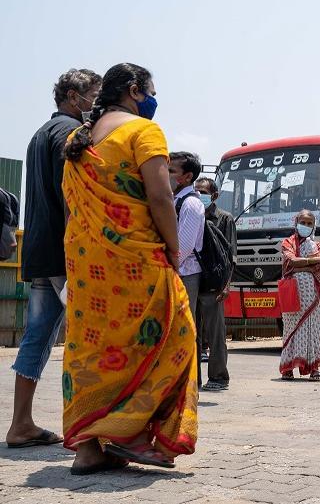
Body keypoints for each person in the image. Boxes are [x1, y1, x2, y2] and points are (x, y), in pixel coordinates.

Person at [60, 63, 197, 473]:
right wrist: (174, 251)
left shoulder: (75, 139)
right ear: (135, 91)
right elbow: (159, 197)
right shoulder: (144, 132)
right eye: (151, 91)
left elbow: (72, 206)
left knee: (95, 349)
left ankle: (89, 448)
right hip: (137, 260)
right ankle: (133, 435)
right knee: (176, 337)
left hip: (87, 262)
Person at [6, 69, 102, 451]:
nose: (95, 102)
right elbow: (71, 197)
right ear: (72, 94)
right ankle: (89, 426)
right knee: (87, 337)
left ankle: (21, 423)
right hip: (65, 255)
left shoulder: (40, 133)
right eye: (92, 94)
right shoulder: (70, 133)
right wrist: (80, 249)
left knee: (38, 337)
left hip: (42, 253)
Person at [193, 177, 236, 391]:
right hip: (193, 281)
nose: (199, 196)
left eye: (203, 192)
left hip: (214, 283)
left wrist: (226, 285)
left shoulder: (225, 219)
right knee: (192, 334)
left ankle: (219, 377)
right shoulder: (191, 214)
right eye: (197, 191)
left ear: (214, 196)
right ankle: (194, 379)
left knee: (215, 333)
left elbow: (231, 256)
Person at [279, 210, 320, 381]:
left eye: (310, 223)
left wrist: (302, 265)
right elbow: (290, 262)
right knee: (291, 330)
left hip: (314, 297)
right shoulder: (288, 242)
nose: (306, 226)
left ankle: (314, 368)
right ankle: (288, 368)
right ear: (296, 222)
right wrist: (313, 262)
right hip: (293, 294)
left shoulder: (318, 246)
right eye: (303, 222)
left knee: (314, 330)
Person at [169, 152, 206, 379]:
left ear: (187, 176)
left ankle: (189, 382)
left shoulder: (191, 203)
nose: (167, 175)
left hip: (185, 273)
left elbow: (183, 246)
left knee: (184, 329)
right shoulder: (174, 199)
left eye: (172, 171)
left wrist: (168, 267)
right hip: (175, 272)